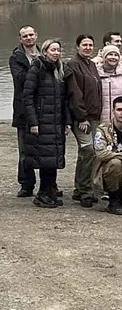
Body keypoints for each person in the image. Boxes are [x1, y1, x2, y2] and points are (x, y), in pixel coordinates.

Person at [23, 39, 69, 208]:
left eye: (58, 50)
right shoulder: (37, 68)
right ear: (45, 52)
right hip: (42, 122)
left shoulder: (59, 70)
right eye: (52, 50)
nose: (56, 53)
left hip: (56, 122)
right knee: (45, 160)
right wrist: (33, 122)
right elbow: (27, 97)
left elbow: (63, 99)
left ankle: (50, 191)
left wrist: (66, 122)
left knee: (53, 159)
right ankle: (42, 194)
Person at [65, 34, 103, 207]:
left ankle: (79, 189)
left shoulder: (92, 65)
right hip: (82, 118)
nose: (88, 48)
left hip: (94, 117)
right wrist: (81, 117)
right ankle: (85, 191)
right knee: (88, 150)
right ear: (77, 47)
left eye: (90, 45)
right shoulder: (73, 65)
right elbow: (74, 92)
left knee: (90, 153)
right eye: (84, 45)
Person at [10, 25, 40, 197]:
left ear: (36, 35)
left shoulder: (44, 53)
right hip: (22, 110)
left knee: (46, 148)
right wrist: (37, 68)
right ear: (20, 39)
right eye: (25, 36)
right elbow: (20, 78)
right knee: (24, 150)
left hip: (43, 107)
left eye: (31, 35)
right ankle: (26, 184)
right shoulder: (16, 57)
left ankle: (49, 184)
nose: (29, 38)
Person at [97, 45, 122, 125]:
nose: (113, 57)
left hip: (121, 120)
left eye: (116, 55)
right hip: (100, 121)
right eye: (110, 54)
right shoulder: (95, 74)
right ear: (104, 57)